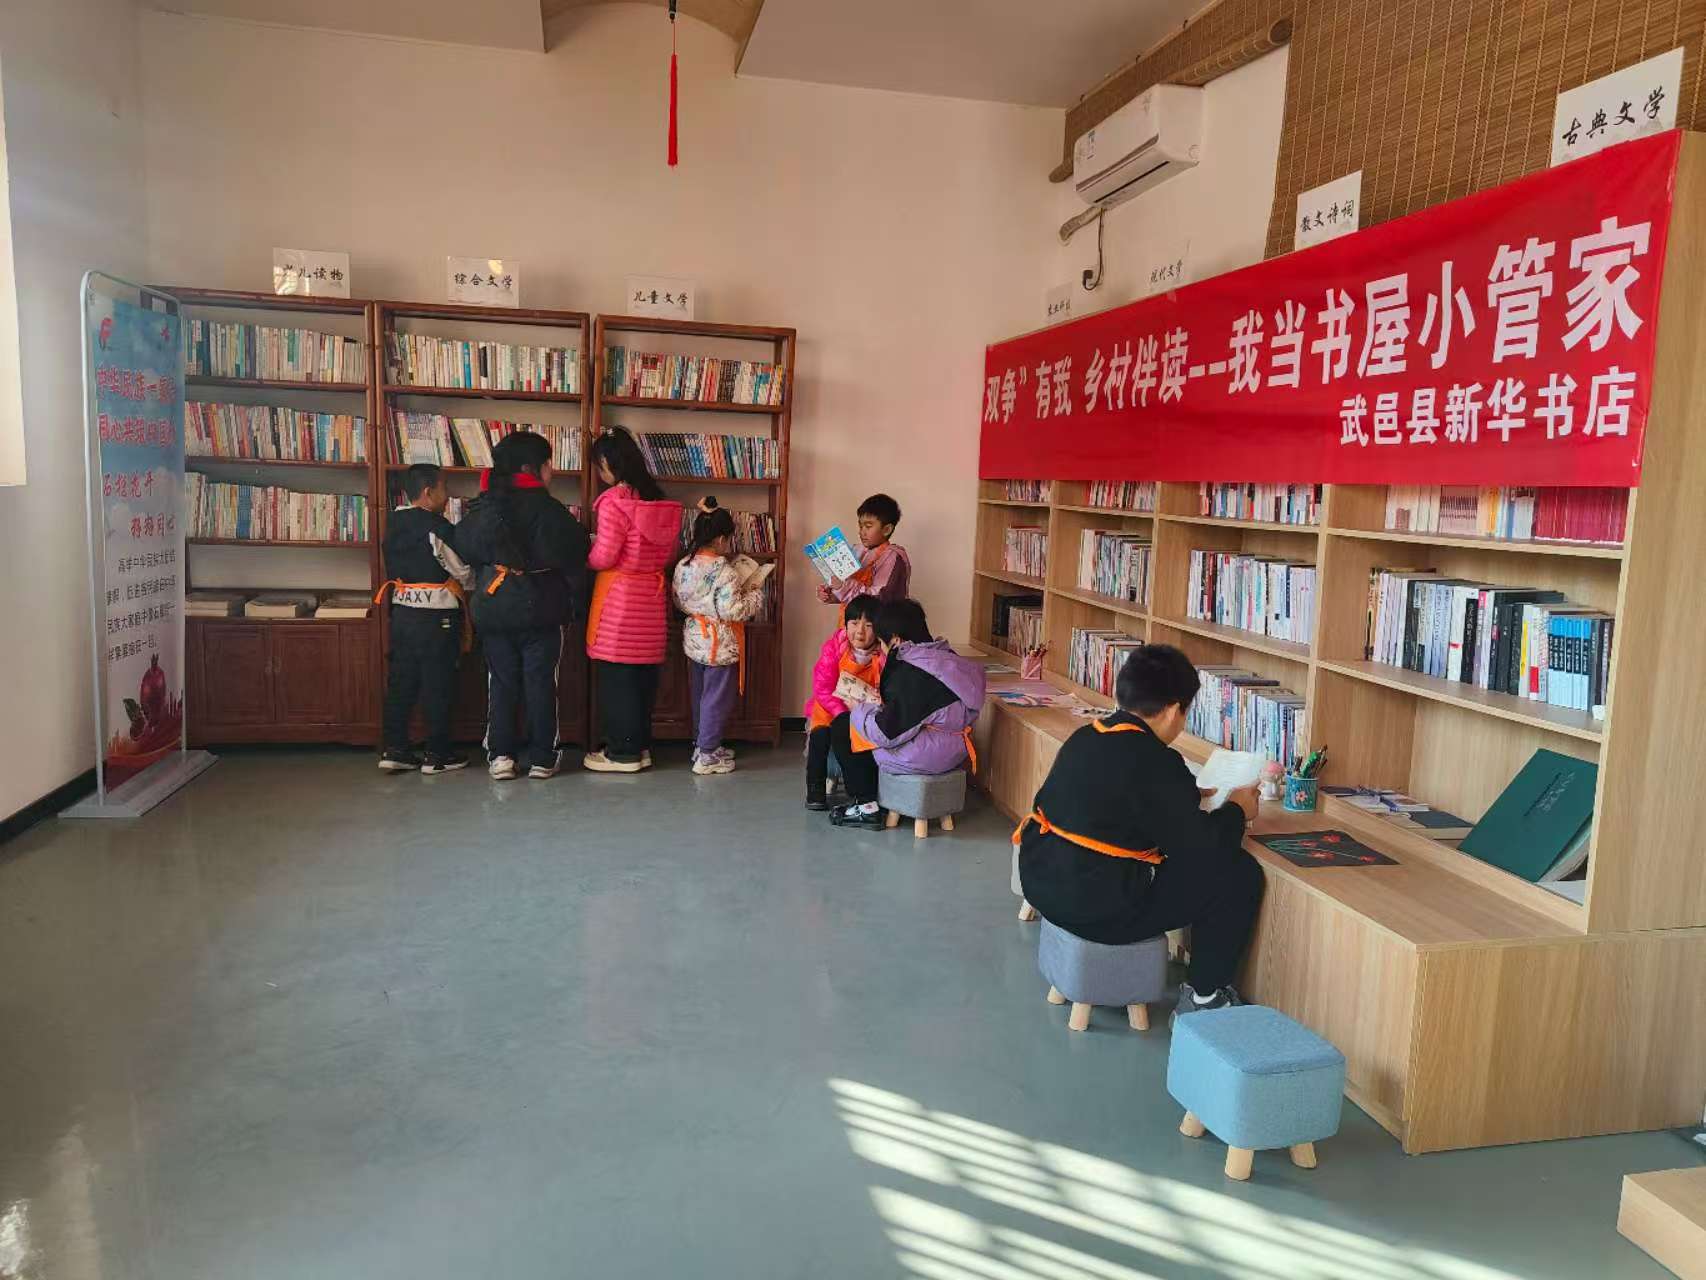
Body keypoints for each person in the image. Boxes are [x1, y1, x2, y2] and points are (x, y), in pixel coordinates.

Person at [1015, 644, 1264, 1017]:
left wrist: (1184, 796)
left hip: (1043, 882)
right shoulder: (1158, 761)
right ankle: (1205, 997)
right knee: (1237, 872)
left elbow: (1115, 801)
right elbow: (1203, 848)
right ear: (1173, 710)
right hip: (1095, 907)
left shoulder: (1089, 735)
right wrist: (1238, 810)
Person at [456, 430, 590, 781]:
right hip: (541, 607)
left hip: (495, 605)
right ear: (533, 468)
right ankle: (543, 758)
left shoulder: (485, 504)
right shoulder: (549, 509)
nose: (552, 471)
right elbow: (577, 551)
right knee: (541, 683)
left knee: (501, 682)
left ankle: (501, 756)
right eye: (548, 464)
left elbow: (464, 546)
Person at [828, 599, 985, 830]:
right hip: (953, 750)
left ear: (896, 640)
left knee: (845, 726)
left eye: (882, 643)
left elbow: (885, 734)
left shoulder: (914, 674)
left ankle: (867, 806)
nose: (882, 649)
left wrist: (859, 709)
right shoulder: (946, 659)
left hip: (925, 757)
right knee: (862, 723)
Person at [584, 426, 682, 773]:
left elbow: (605, 556)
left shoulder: (614, 503)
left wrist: (587, 554)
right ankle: (640, 747)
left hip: (620, 601)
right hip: (652, 600)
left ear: (610, 464)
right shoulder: (658, 500)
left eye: (600, 467)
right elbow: (669, 554)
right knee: (643, 678)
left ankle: (621, 753)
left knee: (617, 677)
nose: (600, 474)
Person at [376, 463, 474, 774]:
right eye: (444, 488)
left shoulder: (393, 522)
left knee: (402, 682)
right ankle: (438, 754)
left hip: (402, 614)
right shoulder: (437, 527)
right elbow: (464, 572)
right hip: (436, 618)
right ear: (428, 492)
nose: (448, 495)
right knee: (438, 683)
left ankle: (396, 749)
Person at [672, 497, 770, 775]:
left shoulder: (683, 564)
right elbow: (733, 610)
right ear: (720, 539)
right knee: (717, 700)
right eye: (728, 538)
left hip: (694, 639)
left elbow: (678, 600)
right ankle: (707, 755)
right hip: (720, 644)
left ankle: (702, 744)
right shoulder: (725, 571)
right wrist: (755, 594)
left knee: (700, 696)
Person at [802, 594, 882, 810]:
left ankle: (856, 789)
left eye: (868, 625)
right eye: (854, 623)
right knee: (819, 736)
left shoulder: (882, 654)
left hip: (863, 710)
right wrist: (840, 712)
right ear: (845, 625)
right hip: (830, 707)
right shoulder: (834, 648)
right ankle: (815, 792)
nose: (860, 631)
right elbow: (822, 687)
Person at [817, 493, 910, 607]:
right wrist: (833, 594)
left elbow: (878, 598)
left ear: (886, 529)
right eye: (860, 526)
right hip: (856, 617)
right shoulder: (857, 550)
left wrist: (843, 587)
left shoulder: (893, 556)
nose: (862, 532)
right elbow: (850, 594)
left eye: (868, 526)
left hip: (882, 618)